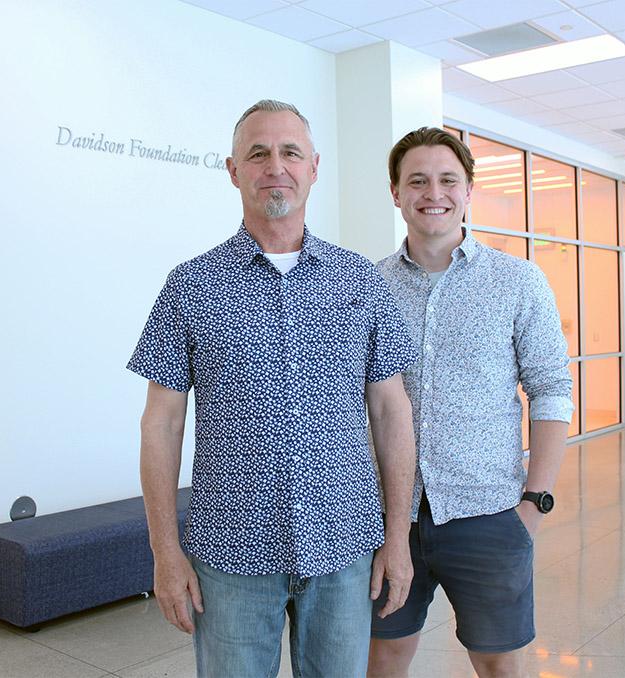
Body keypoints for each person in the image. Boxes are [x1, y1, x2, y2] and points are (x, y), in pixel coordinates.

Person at [127, 100, 419, 678]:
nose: (274, 166)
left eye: (290, 152)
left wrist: (399, 537)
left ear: (314, 166)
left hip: (343, 547)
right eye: (257, 153)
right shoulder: (191, 284)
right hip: (230, 557)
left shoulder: (361, 281)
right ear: (233, 170)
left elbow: (390, 413)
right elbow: (160, 424)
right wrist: (164, 552)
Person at [367, 127, 574, 678]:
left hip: (489, 513)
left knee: (498, 664)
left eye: (447, 180)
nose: (432, 192)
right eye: (417, 181)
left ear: (468, 190)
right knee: (384, 657)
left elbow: (552, 390)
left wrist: (534, 504)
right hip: (388, 516)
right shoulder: (365, 285)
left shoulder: (518, 281)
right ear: (396, 193)